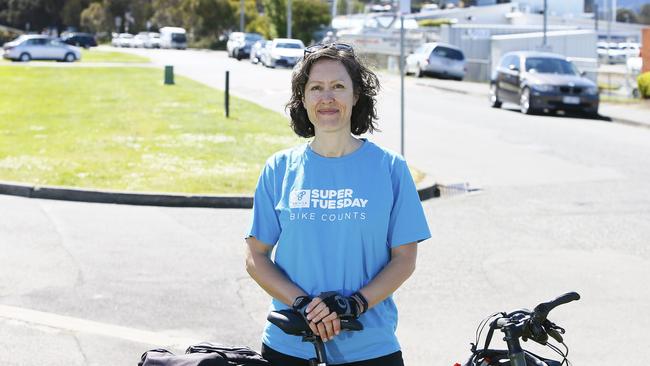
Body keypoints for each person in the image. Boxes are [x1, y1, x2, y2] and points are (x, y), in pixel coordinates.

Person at [245, 43, 431, 366]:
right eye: (316, 88)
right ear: (303, 98)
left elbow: (405, 259)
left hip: (370, 349)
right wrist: (302, 303)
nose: (327, 98)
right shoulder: (279, 169)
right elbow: (255, 256)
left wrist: (355, 304)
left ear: (356, 94)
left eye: (338, 86)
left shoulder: (390, 169)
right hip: (289, 347)